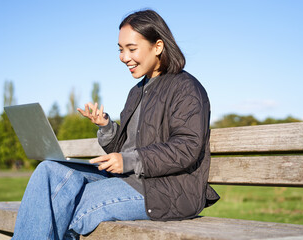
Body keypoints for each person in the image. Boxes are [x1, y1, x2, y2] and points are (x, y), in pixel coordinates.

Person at [11, 9, 219, 240]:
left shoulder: (186, 88)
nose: (123, 57)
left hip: (166, 190)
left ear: (158, 46)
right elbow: (125, 149)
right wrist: (107, 127)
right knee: (49, 171)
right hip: (129, 180)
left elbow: (186, 147)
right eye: (121, 50)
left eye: (131, 49)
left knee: (67, 206)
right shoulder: (137, 91)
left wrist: (129, 160)